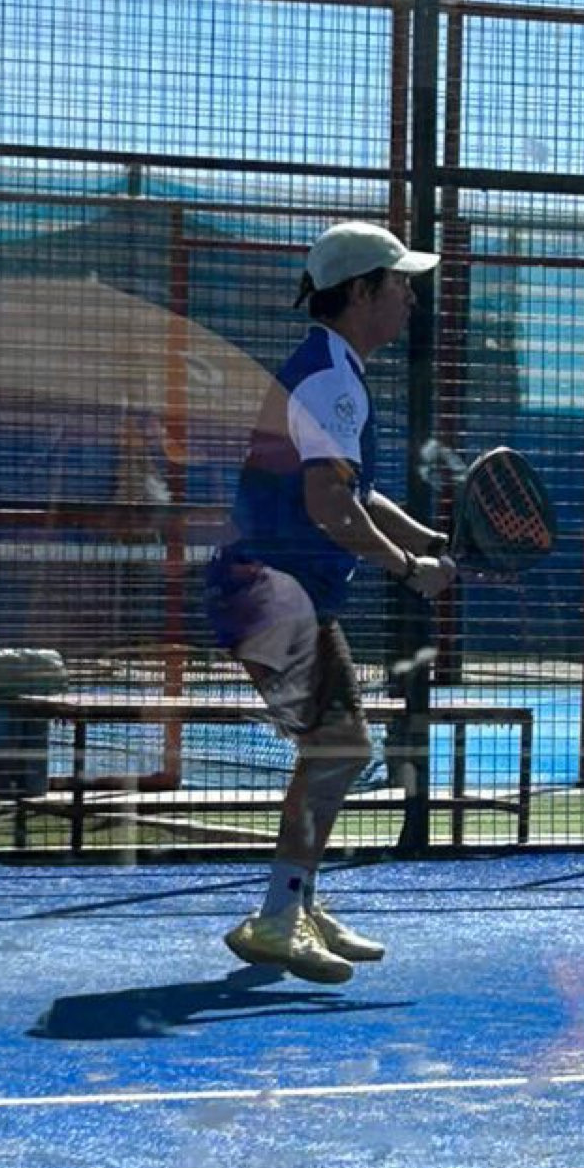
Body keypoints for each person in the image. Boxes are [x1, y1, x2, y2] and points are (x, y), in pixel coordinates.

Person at [206, 220, 456, 984]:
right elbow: (329, 506)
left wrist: (432, 540)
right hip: (270, 592)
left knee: (335, 747)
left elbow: (357, 493)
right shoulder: (328, 380)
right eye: (399, 284)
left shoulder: (332, 368)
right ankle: (280, 916)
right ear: (360, 292)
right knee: (340, 746)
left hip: (279, 593)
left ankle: (292, 907)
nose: (410, 298)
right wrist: (409, 569)